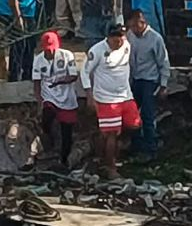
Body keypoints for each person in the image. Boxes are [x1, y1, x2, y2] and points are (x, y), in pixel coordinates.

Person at [81, 24, 140, 179]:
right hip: (106, 99)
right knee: (111, 134)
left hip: (125, 95)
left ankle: (109, 150)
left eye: (121, 37)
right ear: (108, 37)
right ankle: (110, 166)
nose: (119, 42)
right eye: (115, 38)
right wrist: (89, 96)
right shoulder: (97, 51)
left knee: (134, 124)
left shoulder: (127, 46)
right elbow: (85, 72)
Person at [125, 9, 169, 161]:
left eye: (135, 26)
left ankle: (151, 149)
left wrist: (163, 85)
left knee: (148, 115)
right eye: (131, 27)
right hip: (135, 79)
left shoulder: (155, 39)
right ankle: (136, 146)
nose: (134, 30)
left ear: (143, 23)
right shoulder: (130, 36)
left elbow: (163, 62)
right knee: (132, 114)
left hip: (150, 80)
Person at [32, 31, 79, 169]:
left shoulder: (67, 55)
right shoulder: (38, 60)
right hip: (49, 95)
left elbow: (73, 76)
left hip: (66, 97)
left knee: (67, 131)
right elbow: (36, 82)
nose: (50, 52)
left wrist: (60, 81)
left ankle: (64, 160)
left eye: (52, 49)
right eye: (47, 49)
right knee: (47, 117)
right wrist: (39, 101)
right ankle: (49, 143)